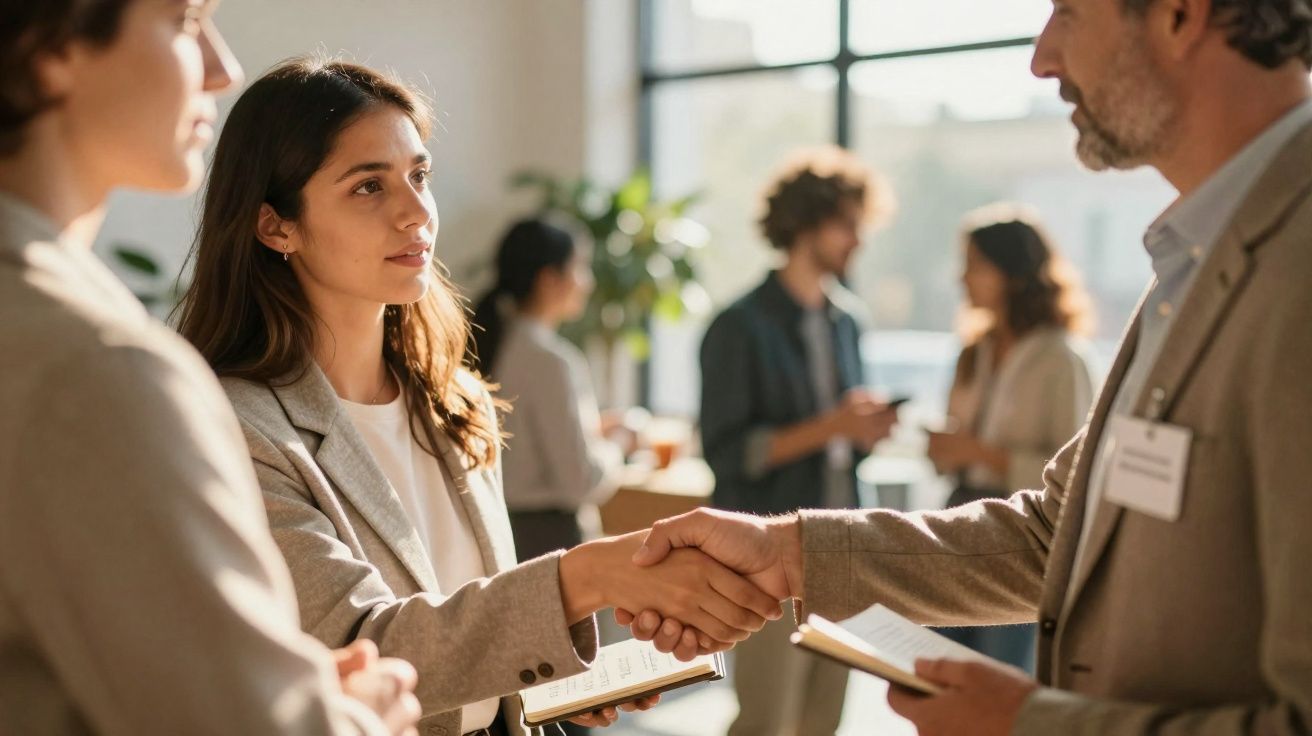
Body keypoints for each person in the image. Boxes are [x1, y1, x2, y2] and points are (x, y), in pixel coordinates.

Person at [622, 0, 1312, 733]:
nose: (1042, 57)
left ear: (1181, 14)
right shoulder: (1189, 261)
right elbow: (1056, 532)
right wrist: (791, 551)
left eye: (1069, 13)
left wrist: (1029, 724)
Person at [175, 58, 782, 736]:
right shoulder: (234, 426)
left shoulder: (453, 401)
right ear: (274, 227)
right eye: (368, 187)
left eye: (419, 175)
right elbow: (363, 647)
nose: (415, 212)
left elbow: (469, 627)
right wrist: (590, 576)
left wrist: (557, 673)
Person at [0, 2, 420, 734]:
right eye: (186, 21)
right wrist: (352, 717)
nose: (224, 69)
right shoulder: (97, 369)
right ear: (52, 44)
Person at [696, 145, 898, 736]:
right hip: (766, 556)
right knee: (765, 718)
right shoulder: (738, 327)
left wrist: (863, 431)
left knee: (822, 719)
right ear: (804, 223)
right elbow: (730, 453)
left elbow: (841, 444)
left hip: (841, 547)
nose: (857, 242)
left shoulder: (848, 321)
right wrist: (832, 425)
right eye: (846, 226)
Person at [925, 204, 1095, 670]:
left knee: (1001, 676)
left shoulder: (1061, 359)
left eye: (975, 265)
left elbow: (1076, 475)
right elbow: (955, 449)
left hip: (1021, 531)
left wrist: (981, 453)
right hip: (958, 514)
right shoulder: (972, 352)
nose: (962, 279)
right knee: (936, 670)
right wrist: (946, 449)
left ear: (1014, 272)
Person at [469, 218, 626, 566]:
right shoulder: (550, 361)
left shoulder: (489, 344)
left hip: (500, 533)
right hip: (548, 542)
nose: (589, 282)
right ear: (548, 280)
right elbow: (578, 482)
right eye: (581, 268)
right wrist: (619, 445)